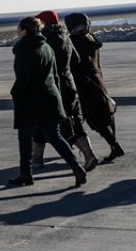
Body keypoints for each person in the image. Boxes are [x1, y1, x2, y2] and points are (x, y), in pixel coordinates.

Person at [8, 16, 88, 187]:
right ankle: (76, 167)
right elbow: (55, 76)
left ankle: (26, 173)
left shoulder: (23, 49)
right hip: (50, 97)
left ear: (24, 31)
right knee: (55, 136)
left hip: (30, 101)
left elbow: (23, 78)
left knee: (25, 138)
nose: (16, 32)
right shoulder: (46, 46)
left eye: (18, 29)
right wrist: (58, 97)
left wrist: (14, 92)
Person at [32, 10, 99, 172]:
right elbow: (75, 60)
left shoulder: (42, 41)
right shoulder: (65, 38)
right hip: (69, 86)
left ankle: (36, 161)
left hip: (50, 88)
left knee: (41, 124)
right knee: (75, 121)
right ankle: (89, 154)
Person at [64, 12, 126, 162]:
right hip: (97, 81)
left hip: (81, 83)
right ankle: (112, 145)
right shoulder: (92, 39)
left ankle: (112, 145)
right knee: (104, 114)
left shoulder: (73, 42)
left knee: (83, 118)